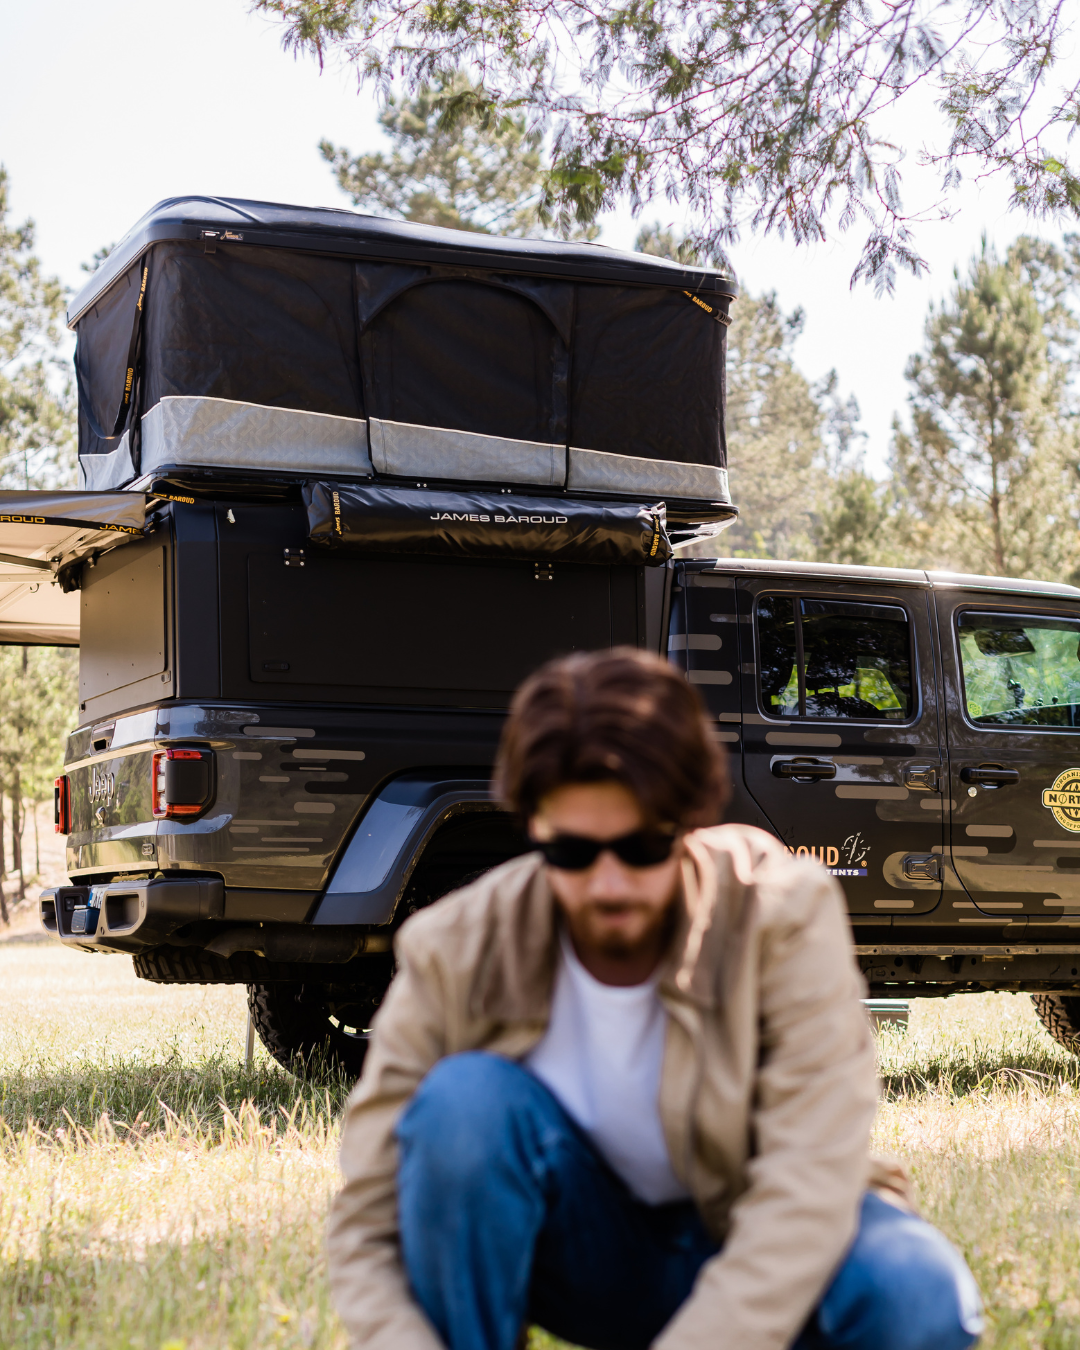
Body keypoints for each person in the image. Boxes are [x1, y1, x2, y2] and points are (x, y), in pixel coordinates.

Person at [327, 648, 983, 1350]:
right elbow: (368, 1220)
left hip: (763, 1240)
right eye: (573, 853)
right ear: (532, 830)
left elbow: (809, 1182)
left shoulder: (784, 912)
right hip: (587, 1259)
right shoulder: (455, 945)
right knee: (464, 1105)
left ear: (687, 824)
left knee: (918, 1298)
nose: (608, 885)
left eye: (640, 848)